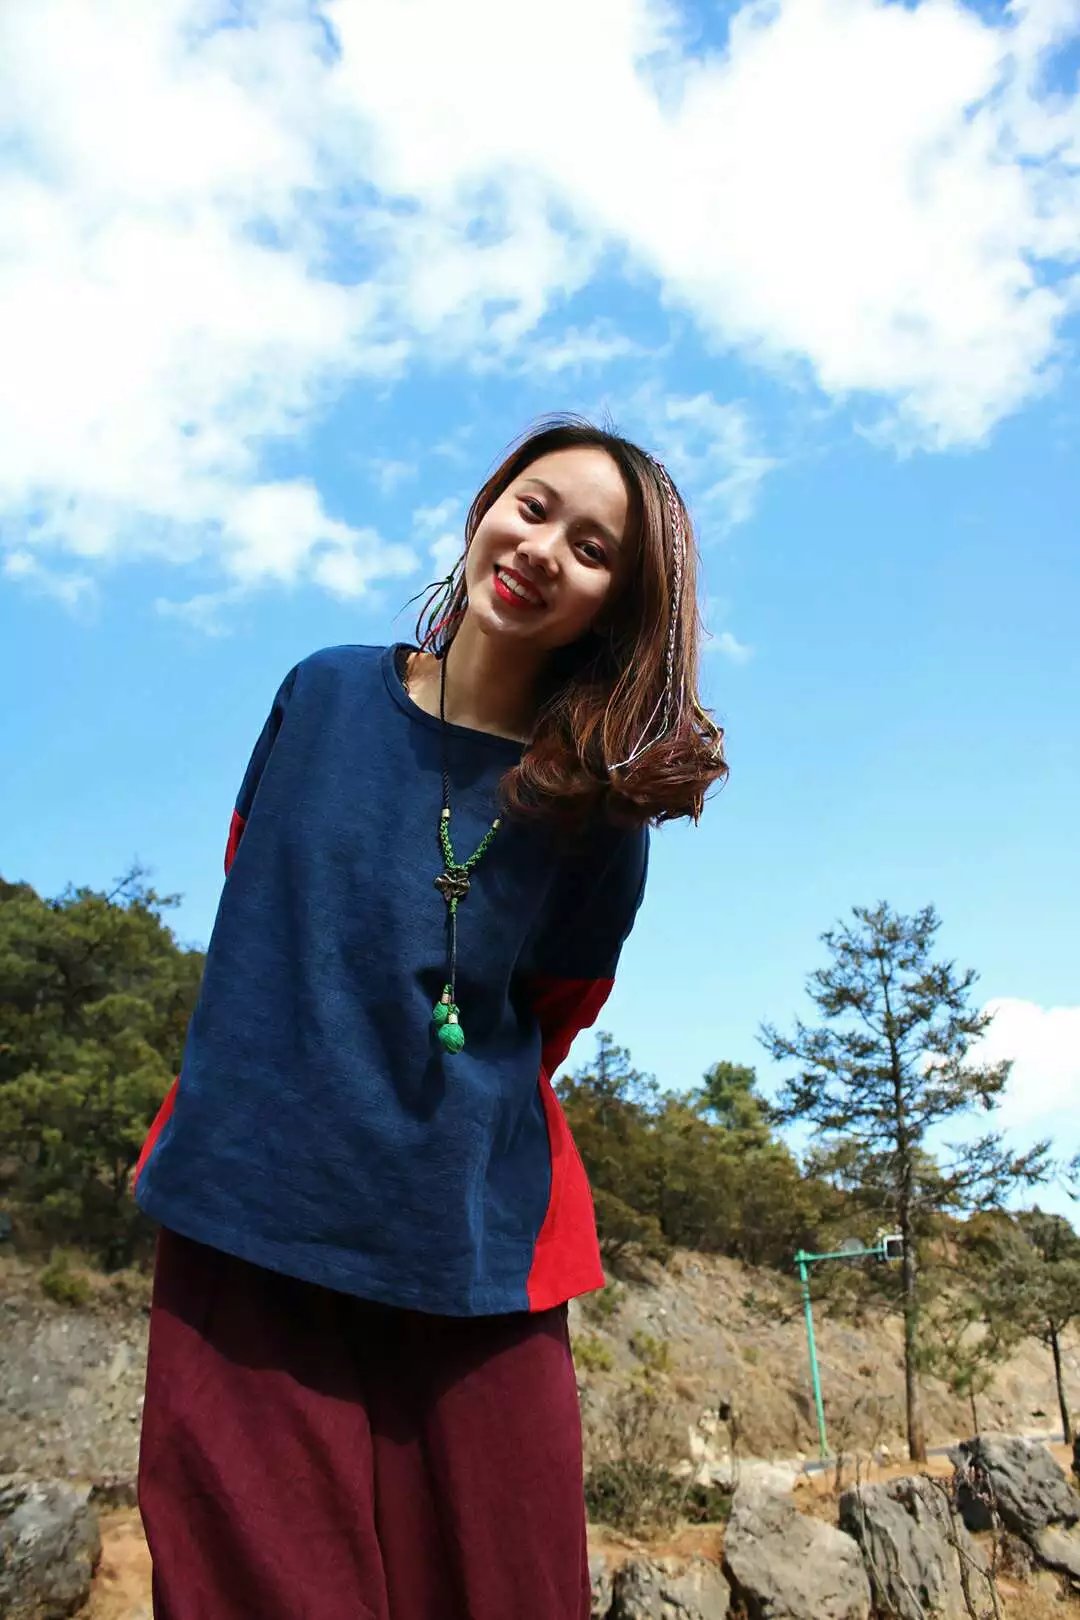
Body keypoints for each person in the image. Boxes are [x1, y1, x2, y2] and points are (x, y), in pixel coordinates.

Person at [132, 415, 727, 1620]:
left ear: (616, 608)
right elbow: (258, 901)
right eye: (534, 506)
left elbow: (554, 1014)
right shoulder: (322, 692)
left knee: (505, 1588)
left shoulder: (596, 814)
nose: (543, 549)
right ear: (485, 507)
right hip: (248, 1208)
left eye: (593, 549)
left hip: (471, 1251)